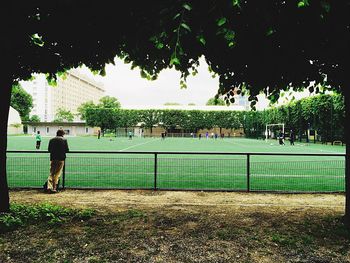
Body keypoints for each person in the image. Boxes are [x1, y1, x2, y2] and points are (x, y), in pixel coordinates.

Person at [47, 129, 69, 193]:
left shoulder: (51, 140)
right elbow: (67, 150)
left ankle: (49, 187)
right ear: (62, 134)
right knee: (57, 174)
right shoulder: (64, 140)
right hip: (61, 158)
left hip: (53, 158)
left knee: (52, 173)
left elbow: (49, 150)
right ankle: (54, 188)